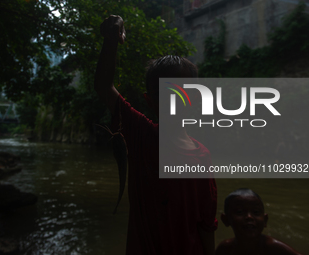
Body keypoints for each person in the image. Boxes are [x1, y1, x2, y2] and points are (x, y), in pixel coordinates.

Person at [94, 15, 217, 255]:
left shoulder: (203, 157)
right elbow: (103, 87)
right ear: (150, 101)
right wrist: (110, 41)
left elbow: (206, 223)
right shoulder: (142, 134)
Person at [216, 188, 303, 255]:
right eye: (240, 212)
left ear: (265, 220)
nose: (249, 217)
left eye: (256, 212)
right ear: (225, 219)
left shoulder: (274, 248)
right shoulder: (225, 249)